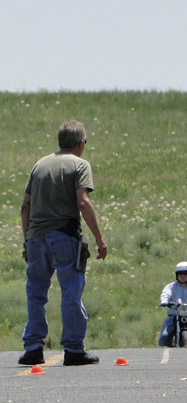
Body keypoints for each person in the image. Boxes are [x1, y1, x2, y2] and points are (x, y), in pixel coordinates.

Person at [18, 120, 107, 366]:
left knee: (35, 292)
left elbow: (25, 206)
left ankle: (34, 347)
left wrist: (27, 241)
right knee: (70, 291)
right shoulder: (80, 165)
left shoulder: (39, 165)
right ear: (81, 143)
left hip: (36, 238)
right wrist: (99, 238)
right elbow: (83, 202)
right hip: (64, 236)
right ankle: (74, 348)